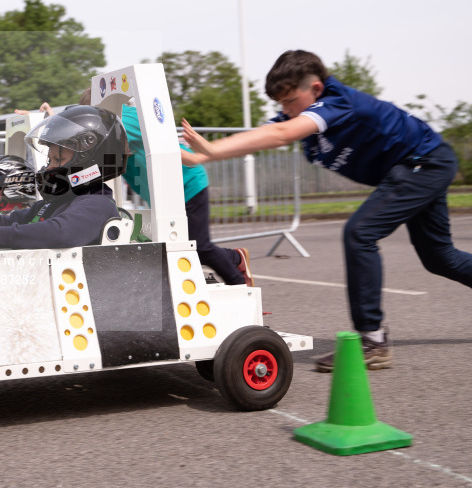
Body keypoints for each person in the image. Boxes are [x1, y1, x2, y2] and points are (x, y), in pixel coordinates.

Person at [181, 49, 472, 372]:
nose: (286, 110)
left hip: (424, 163)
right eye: (281, 104)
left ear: (316, 89)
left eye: (290, 101)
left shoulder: (337, 102)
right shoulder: (300, 115)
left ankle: (373, 341)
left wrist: (212, 151)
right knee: (439, 257)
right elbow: (266, 134)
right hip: (416, 166)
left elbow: (280, 135)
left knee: (360, 233)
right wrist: (202, 156)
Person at [22, 91, 253, 286]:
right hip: (161, 190)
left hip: (186, 184)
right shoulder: (108, 121)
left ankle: (240, 283)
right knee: (171, 246)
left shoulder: (126, 120)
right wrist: (44, 117)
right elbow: (71, 136)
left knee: (196, 245)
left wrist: (194, 158)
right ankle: (233, 259)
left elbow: (170, 150)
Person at [0, 106, 125, 252]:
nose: (50, 167)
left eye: (58, 160)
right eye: (49, 160)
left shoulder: (98, 204)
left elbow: (61, 232)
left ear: (88, 165)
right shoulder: (53, 204)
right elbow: (7, 221)